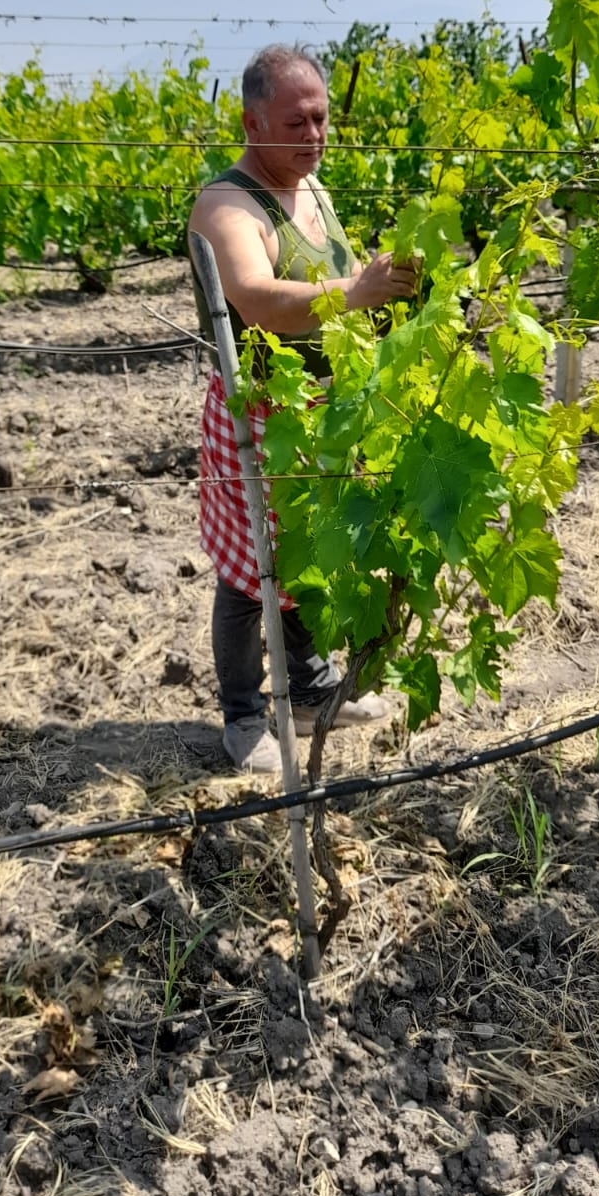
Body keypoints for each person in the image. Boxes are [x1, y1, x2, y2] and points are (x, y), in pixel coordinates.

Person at [188, 44, 418, 773]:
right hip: (260, 417)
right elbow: (255, 297)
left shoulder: (313, 191)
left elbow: (342, 276)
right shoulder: (227, 204)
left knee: (313, 556)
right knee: (249, 573)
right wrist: (354, 293)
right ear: (252, 122)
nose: (316, 134)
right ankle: (244, 715)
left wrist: (381, 283)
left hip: (328, 409)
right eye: (298, 121)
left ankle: (314, 688)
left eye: (322, 118)